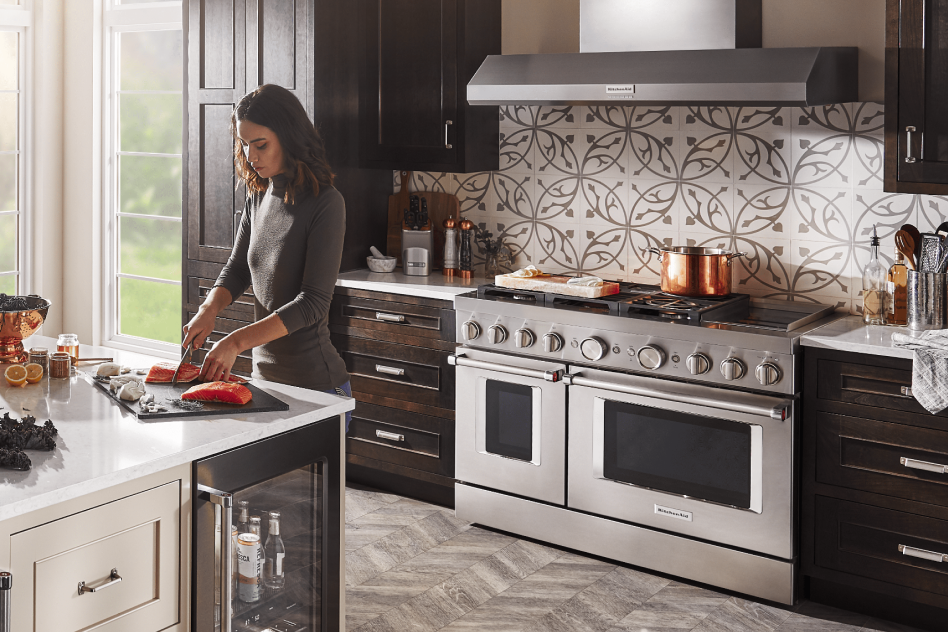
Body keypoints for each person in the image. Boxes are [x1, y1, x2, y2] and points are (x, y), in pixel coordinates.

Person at [182, 83, 352, 429]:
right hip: (265, 383)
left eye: (260, 145)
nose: (250, 156)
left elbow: (313, 303)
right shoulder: (258, 196)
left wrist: (235, 342)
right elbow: (237, 270)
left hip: (318, 389)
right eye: (244, 144)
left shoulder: (326, 203)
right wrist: (208, 310)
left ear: (289, 138)